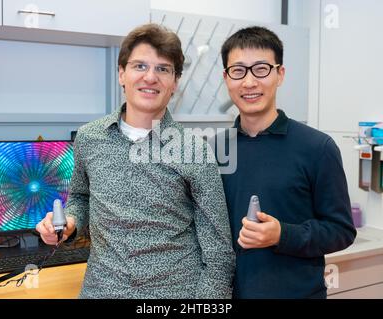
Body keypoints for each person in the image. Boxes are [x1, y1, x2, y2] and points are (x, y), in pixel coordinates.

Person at [36, 23, 235, 299]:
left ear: (175, 82)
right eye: (139, 66)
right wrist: (68, 223)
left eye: (163, 69)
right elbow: (81, 198)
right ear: (121, 73)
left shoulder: (195, 150)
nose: (150, 77)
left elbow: (219, 252)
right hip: (102, 290)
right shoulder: (89, 137)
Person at [216, 26, 356, 298]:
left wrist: (283, 234)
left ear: (280, 74)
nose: (249, 82)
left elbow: (341, 231)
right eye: (238, 71)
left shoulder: (317, 147)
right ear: (226, 77)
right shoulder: (213, 150)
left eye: (261, 69)